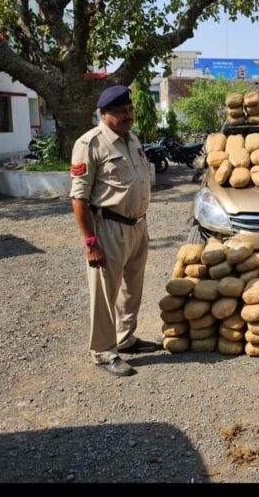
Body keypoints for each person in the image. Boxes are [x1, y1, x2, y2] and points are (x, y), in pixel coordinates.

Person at [70, 84, 159, 377]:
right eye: (120, 111)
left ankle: (126, 338)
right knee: (104, 294)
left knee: (132, 289)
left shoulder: (132, 139)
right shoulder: (90, 144)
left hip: (137, 226)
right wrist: (90, 241)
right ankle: (104, 351)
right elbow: (79, 198)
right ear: (103, 113)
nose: (128, 115)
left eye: (130, 110)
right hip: (108, 228)